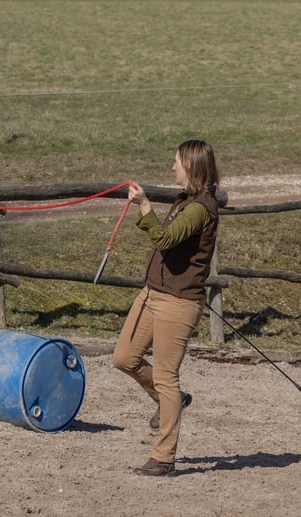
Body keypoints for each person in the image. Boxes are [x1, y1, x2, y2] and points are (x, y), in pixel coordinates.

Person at [112, 139, 220, 477]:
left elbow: (165, 239)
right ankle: (170, 400)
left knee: (165, 377)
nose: (172, 167)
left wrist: (144, 205)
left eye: (176, 162)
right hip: (152, 294)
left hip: (178, 302)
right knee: (124, 358)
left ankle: (163, 458)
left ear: (191, 166)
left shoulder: (201, 209)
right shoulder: (185, 200)